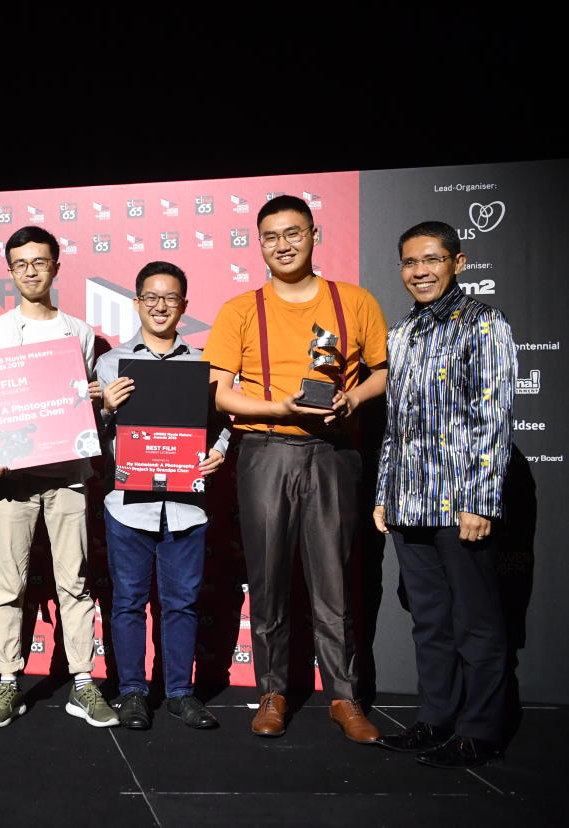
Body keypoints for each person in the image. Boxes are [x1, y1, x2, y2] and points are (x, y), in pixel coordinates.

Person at [201, 195, 388, 742]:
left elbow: (381, 371)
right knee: (269, 579)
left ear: (314, 234)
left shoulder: (354, 301)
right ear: (259, 244)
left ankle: (345, 697)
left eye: (293, 233)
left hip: (334, 455)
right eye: (271, 237)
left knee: (335, 579)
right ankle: (272, 691)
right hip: (266, 451)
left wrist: (354, 399)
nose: (283, 245)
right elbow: (221, 395)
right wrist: (281, 409)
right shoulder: (240, 309)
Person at [373, 221, 516, 768]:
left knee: (475, 621)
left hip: (461, 506)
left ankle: (481, 729)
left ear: (457, 262)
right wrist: (384, 491)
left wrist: (481, 501)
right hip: (409, 503)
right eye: (410, 263)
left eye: (431, 260)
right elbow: (395, 424)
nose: (420, 271)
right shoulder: (402, 333)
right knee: (430, 621)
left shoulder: (485, 324)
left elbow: (493, 416)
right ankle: (436, 719)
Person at [0, 225, 116, 729]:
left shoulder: (78, 332)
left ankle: (82, 681)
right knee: (7, 585)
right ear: (10, 271)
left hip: (68, 477)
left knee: (73, 584)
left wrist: (98, 400)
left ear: (56, 266)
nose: (31, 271)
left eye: (40, 262)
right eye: (20, 264)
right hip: (12, 482)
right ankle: (8, 681)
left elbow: (82, 404)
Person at [97, 261, 228, 730]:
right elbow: (90, 437)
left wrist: (217, 453)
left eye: (170, 298)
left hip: (187, 507)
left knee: (183, 603)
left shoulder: (202, 364)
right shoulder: (110, 363)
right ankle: (132, 692)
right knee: (129, 601)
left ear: (184, 307)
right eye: (151, 297)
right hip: (128, 506)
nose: (160, 305)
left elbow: (222, 426)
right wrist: (105, 410)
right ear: (136, 303)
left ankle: (180, 692)